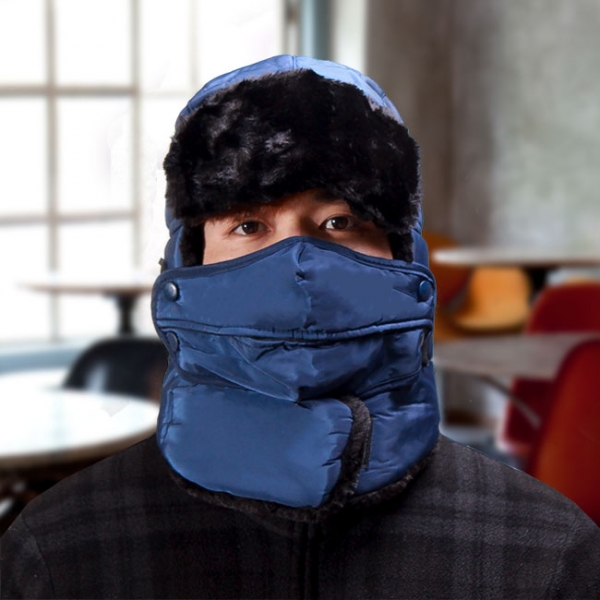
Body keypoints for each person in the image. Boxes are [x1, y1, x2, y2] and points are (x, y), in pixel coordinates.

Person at [1, 55, 599, 600]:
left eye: (339, 221)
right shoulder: (57, 557)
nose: (298, 268)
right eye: (247, 226)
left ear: (403, 257)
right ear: (188, 262)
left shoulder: (548, 557)